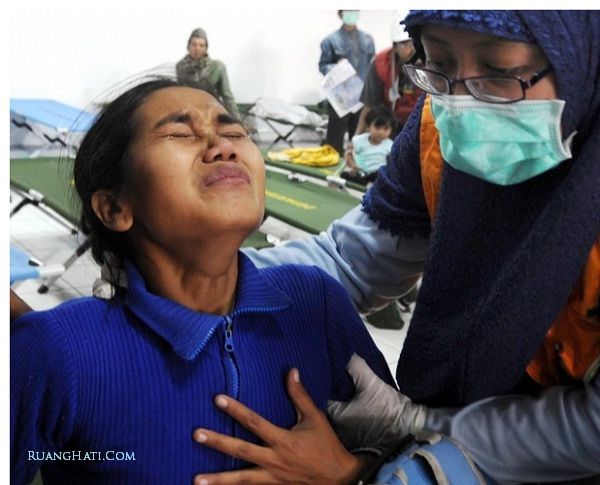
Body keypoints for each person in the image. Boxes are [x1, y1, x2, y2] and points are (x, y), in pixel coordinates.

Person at [191, 10, 600, 484]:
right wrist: (209, 280)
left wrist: (420, 430)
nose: (462, 100)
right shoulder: (436, 127)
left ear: (580, 56)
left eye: (500, 71)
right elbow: (353, 259)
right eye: (439, 64)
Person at [10, 78, 396, 484]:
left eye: (234, 133)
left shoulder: (314, 302)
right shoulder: (58, 350)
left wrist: (353, 473)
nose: (224, 146)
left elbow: (403, 443)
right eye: (179, 133)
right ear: (114, 207)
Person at [356, 12, 423, 137]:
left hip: (427, 125)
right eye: (405, 43)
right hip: (393, 125)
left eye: (416, 41)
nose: (413, 48)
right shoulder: (380, 64)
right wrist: (357, 138)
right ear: (395, 47)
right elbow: (370, 104)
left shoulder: (436, 62)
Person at [319, 10, 375, 155]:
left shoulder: (367, 40)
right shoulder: (330, 40)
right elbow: (323, 66)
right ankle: (330, 171)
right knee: (334, 140)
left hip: (362, 97)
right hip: (340, 99)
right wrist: (336, 67)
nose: (352, 13)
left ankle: (355, 171)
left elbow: (373, 67)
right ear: (340, 14)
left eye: (355, 10)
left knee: (359, 139)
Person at [176, 27, 240, 119]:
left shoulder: (217, 67)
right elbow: (180, 95)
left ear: (206, 48)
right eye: (194, 44)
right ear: (188, 46)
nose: (197, 48)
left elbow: (227, 96)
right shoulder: (180, 67)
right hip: (189, 114)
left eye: (201, 45)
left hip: (212, 113)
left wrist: (238, 121)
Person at [341, 105, 395, 185]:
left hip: (377, 175)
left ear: (391, 130)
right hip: (360, 171)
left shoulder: (390, 145)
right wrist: (353, 165)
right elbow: (349, 154)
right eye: (377, 128)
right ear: (368, 126)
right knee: (345, 174)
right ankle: (361, 179)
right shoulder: (359, 140)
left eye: (386, 129)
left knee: (381, 175)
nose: (381, 132)